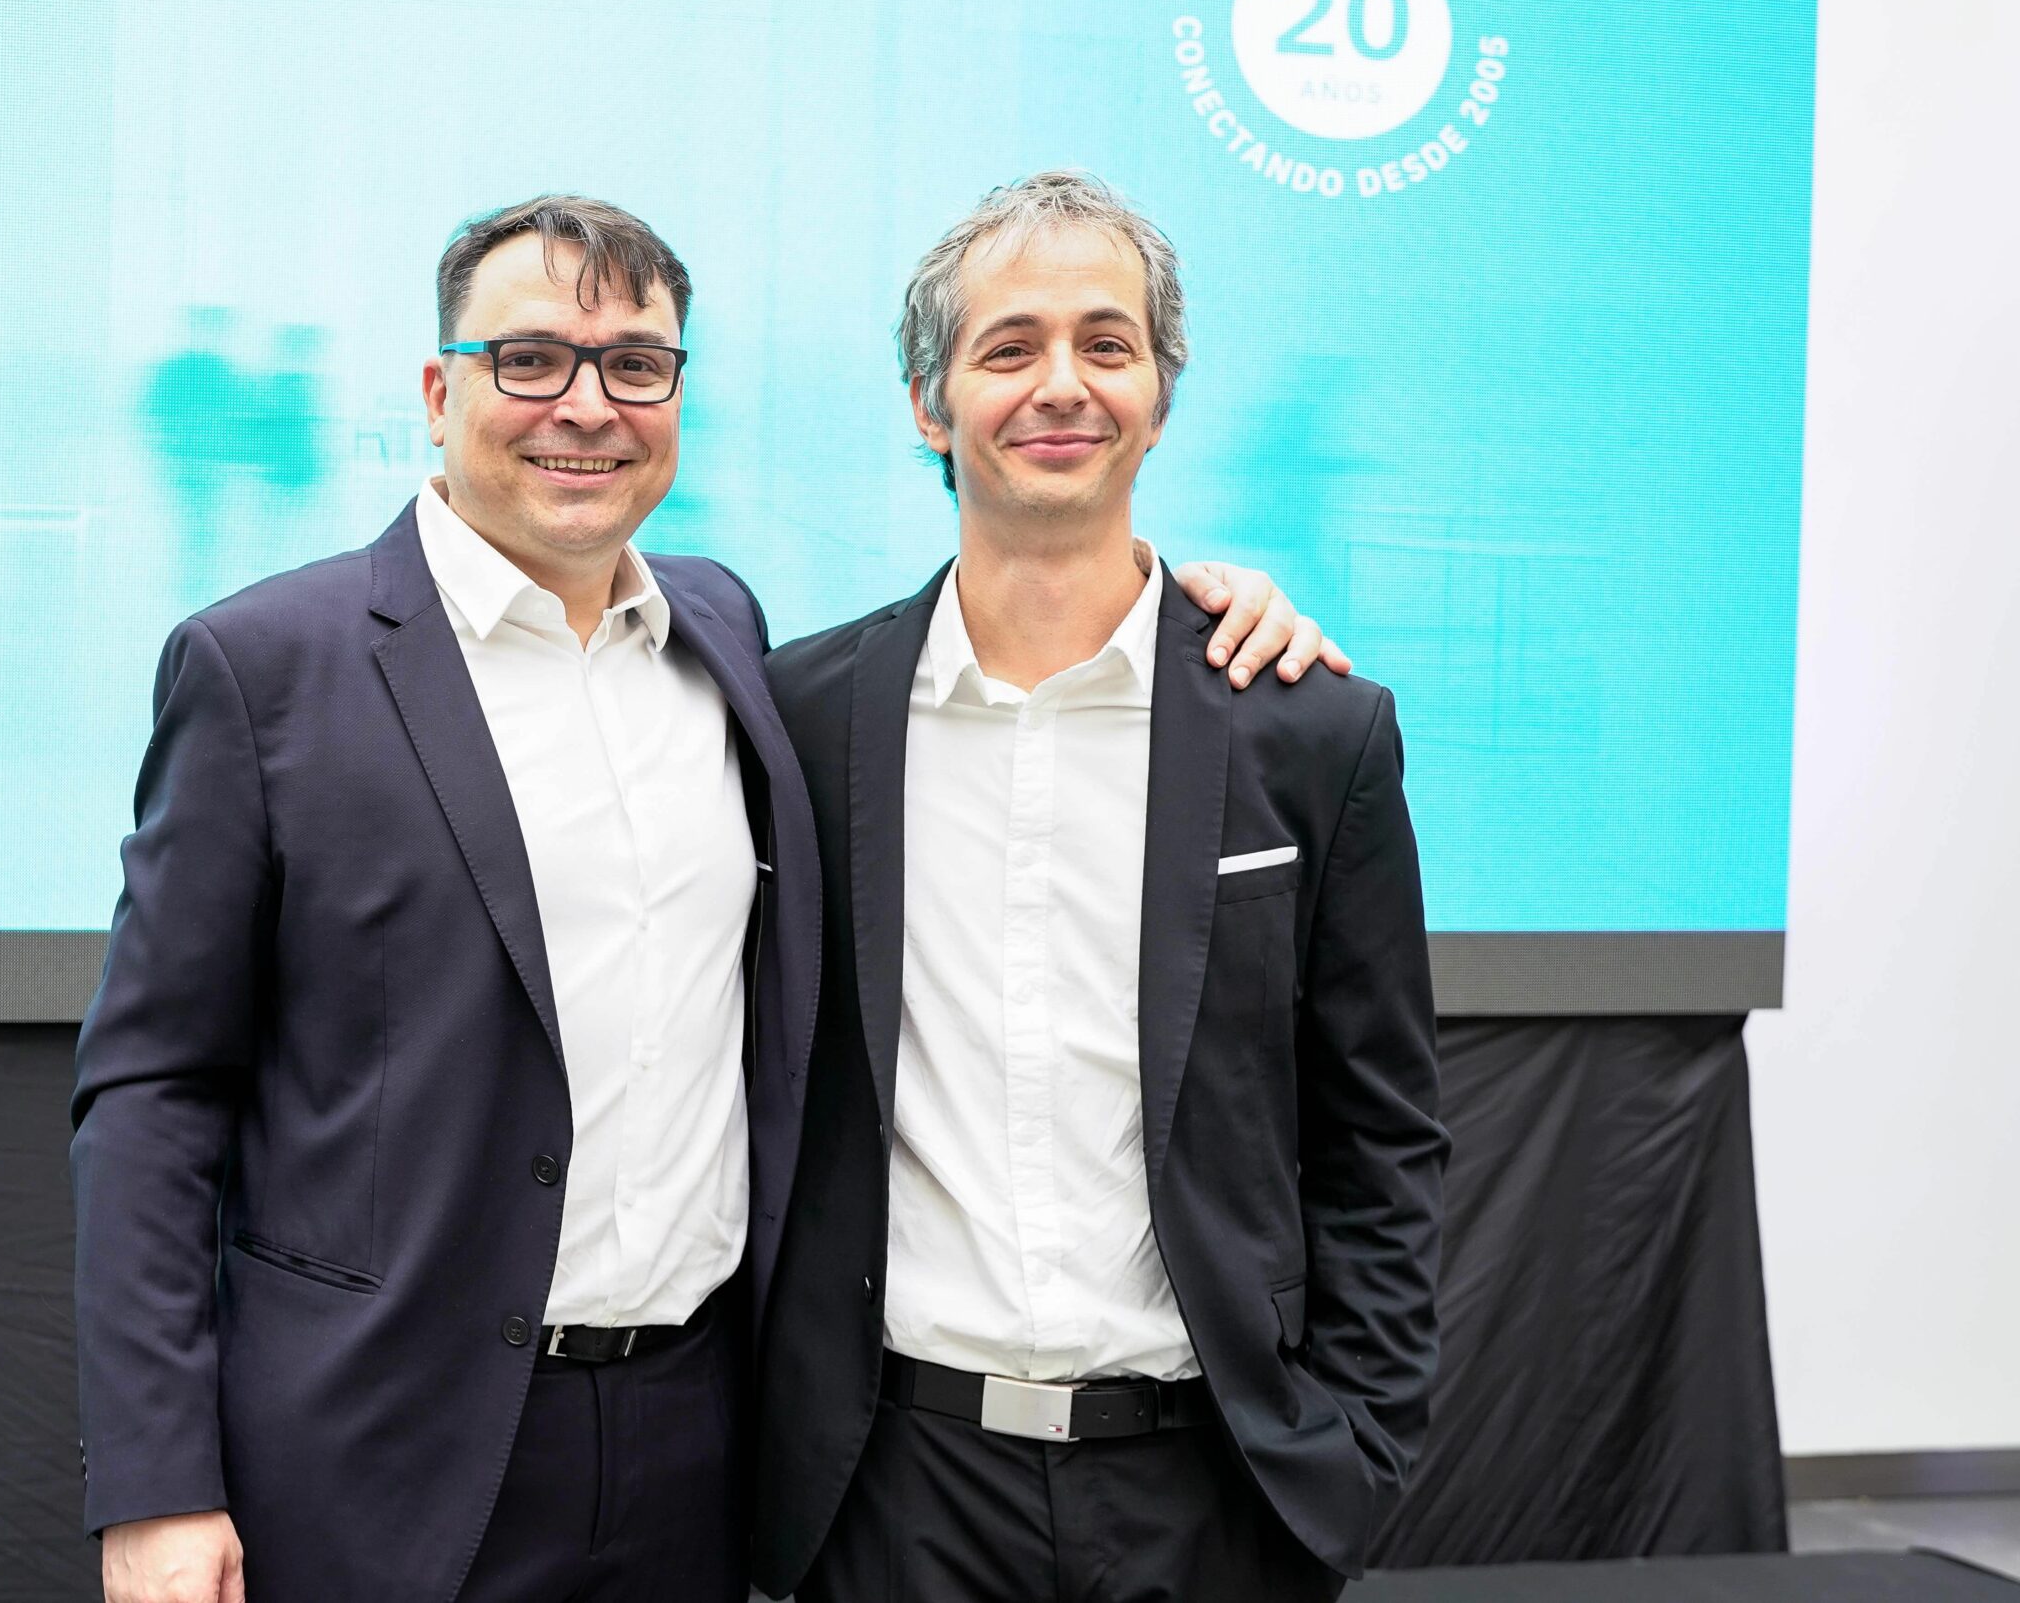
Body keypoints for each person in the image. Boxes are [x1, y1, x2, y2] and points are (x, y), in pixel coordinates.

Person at [72, 194, 1341, 1603]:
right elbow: (155, 1090)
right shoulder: (264, 668)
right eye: (529, 360)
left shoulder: (726, 642)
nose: (586, 407)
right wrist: (157, 1481)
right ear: (439, 393)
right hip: (383, 1446)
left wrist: (1203, 609)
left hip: (697, 1451)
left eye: (636, 365)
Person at [753, 172, 1446, 1603]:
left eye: (1106, 344)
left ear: (1161, 395)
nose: (1060, 384)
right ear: (929, 403)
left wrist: (1355, 1450)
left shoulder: (1312, 728)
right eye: (1009, 347)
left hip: (1214, 1494)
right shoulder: (799, 719)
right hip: (893, 1494)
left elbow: (1380, 1132)